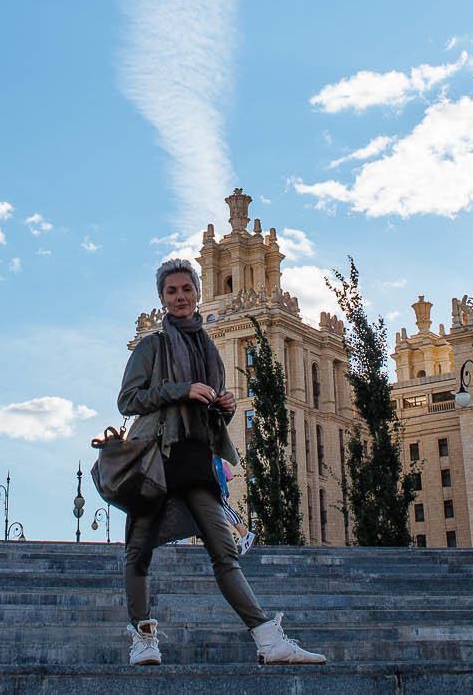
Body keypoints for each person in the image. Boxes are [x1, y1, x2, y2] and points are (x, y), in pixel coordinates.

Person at [115, 257, 325, 667]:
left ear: (197, 293)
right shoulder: (152, 345)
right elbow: (128, 400)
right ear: (162, 298)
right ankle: (143, 637)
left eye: (186, 289)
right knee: (138, 551)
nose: (180, 297)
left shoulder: (209, 348)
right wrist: (180, 390)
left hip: (195, 458)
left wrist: (224, 407)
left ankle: (267, 639)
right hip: (156, 458)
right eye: (171, 291)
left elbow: (205, 408)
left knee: (223, 549)